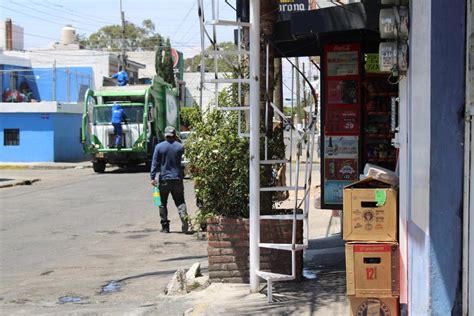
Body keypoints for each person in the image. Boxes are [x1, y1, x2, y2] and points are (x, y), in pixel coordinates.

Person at [150, 126, 189, 233]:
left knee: (162, 203)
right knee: (180, 201)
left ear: (165, 135)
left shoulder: (159, 147)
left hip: (164, 180)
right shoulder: (180, 147)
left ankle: (165, 227)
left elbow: (154, 163)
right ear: (174, 135)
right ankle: (184, 218)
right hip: (177, 179)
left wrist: (152, 177)